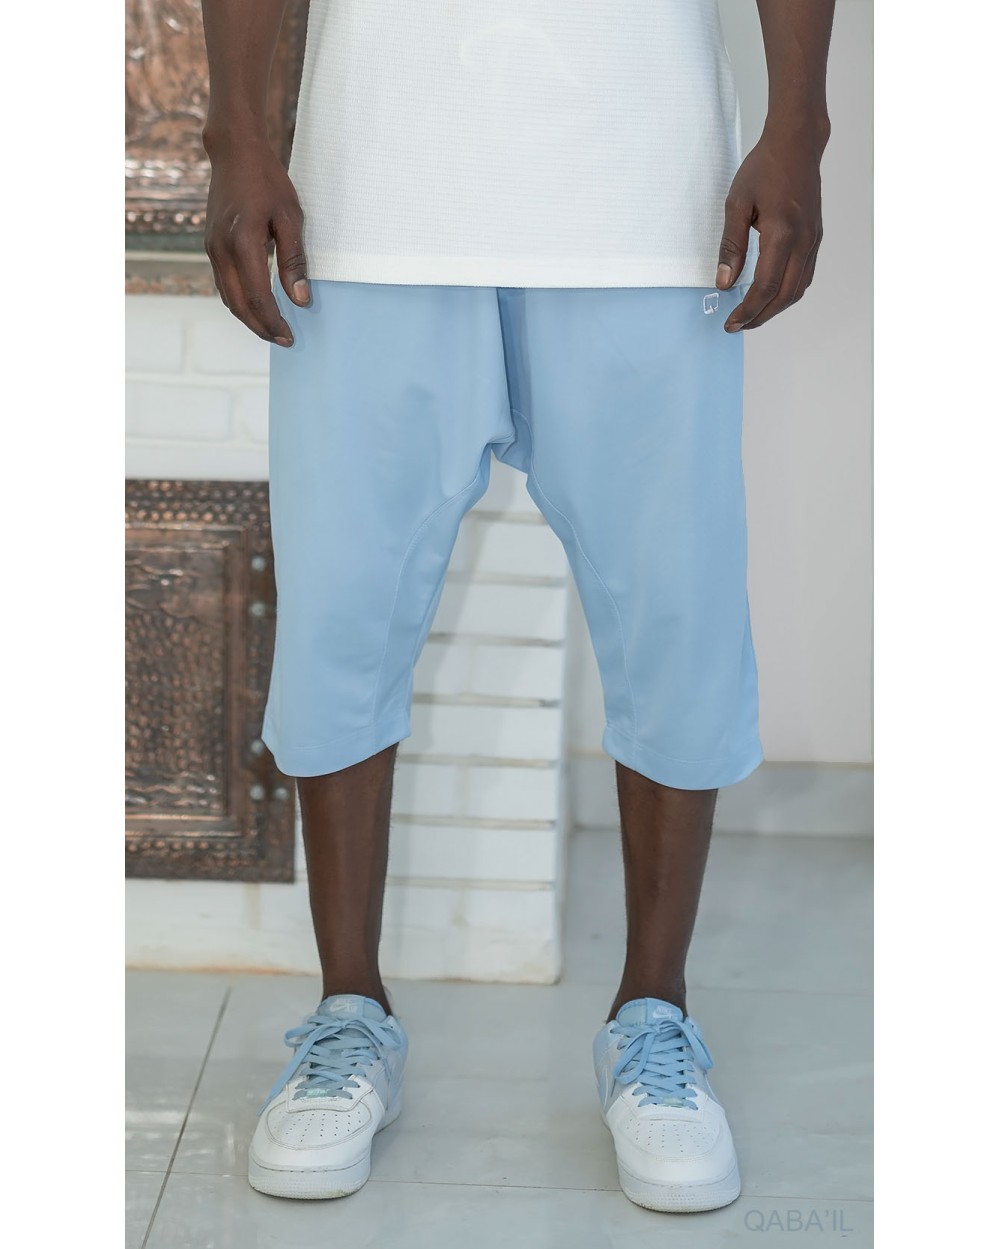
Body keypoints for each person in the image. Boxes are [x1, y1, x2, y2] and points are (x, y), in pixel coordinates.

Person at [202, 0, 834, 1214]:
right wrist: (236, 136)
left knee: (676, 614)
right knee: (339, 610)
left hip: (648, 198)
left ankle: (653, 1020)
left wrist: (799, 123)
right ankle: (349, 1016)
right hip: (370, 195)